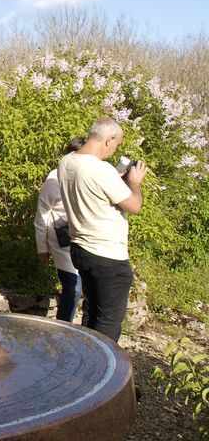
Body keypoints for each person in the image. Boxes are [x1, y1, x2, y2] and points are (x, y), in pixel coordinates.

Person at [58, 118, 148, 341]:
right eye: (116, 144)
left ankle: (87, 357)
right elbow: (134, 206)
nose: (114, 149)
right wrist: (134, 183)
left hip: (81, 248)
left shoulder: (67, 161)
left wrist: (115, 180)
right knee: (109, 319)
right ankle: (106, 362)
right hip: (107, 255)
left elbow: (93, 190)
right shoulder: (101, 170)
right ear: (109, 140)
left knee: (91, 311)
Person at [34, 137, 86, 322]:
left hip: (85, 239)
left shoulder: (89, 176)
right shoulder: (54, 180)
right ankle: (64, 327)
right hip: (62, 240)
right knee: (73, 288)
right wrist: (42, 247)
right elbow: (42, 215)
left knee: (87, 288)